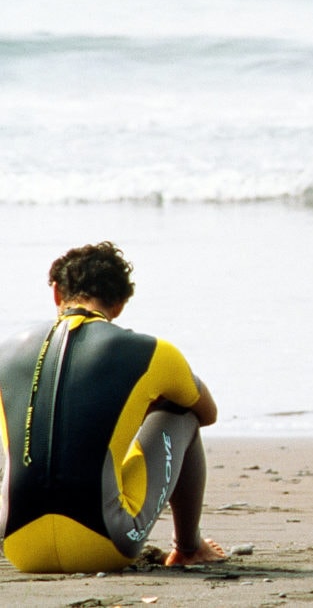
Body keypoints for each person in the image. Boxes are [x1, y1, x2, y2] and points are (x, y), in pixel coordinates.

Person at [0, 242, 226, 572]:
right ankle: (188, 547)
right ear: (118, 306)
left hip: (20, 547)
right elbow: (207, 413)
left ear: (56, 293)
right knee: (181, 414)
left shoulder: (5, 351)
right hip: (106, 542)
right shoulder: (152, 352)